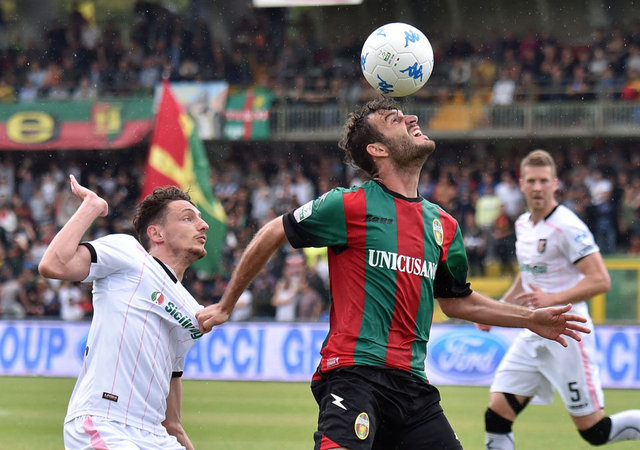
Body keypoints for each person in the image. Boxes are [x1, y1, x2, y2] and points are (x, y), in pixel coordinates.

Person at [196, 98, 590, 450]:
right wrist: (227, 304)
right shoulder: (348, 205)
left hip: (413, 388)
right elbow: (273, 232)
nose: (412, 119)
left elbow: (456, 302)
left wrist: (529, 319)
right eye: (395, 119)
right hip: (353, 374)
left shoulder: (443, 225)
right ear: (378, 149)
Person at [480, 149, 640, 449]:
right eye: (531, 181)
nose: (537, 187)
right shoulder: (522, 224)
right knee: (497, 416)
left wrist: (552, 298)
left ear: (555, 184)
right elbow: (527, 274)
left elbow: (600, 279)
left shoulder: (568, 226)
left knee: (595, 431)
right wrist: (499, 309)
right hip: (534, 332)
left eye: (544, 181)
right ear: (521, 184)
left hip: (568, 332)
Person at [38, 175, 209, 450]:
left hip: (156, 436)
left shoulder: (193, 312)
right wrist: (91, 207)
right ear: (156, 234)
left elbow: (172, 422)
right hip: (106, 422)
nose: (203, 225)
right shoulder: (130, 253)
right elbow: (53, 264)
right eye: (188, 218)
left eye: (199, 219)